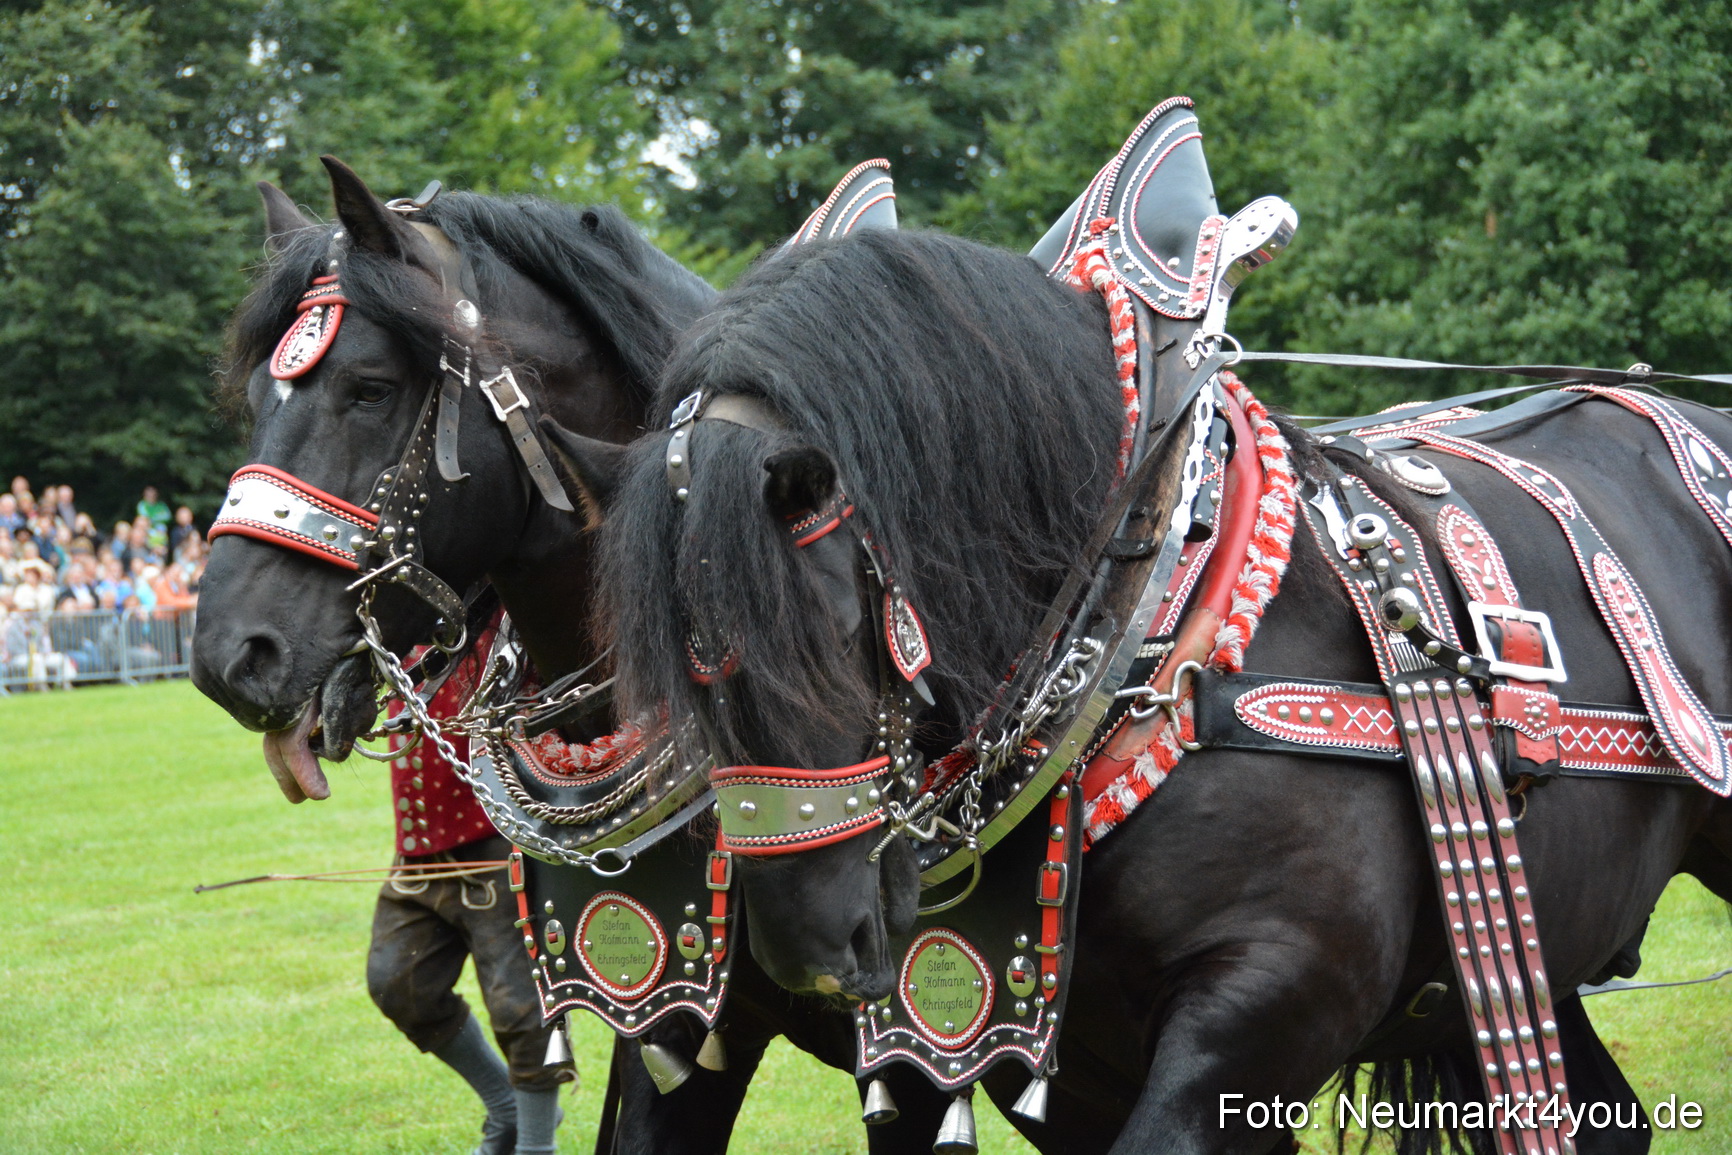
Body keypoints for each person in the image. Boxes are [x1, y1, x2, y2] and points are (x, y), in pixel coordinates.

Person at [367, 631, 572, 1155]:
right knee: (398, 983)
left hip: (501, 840)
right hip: (420, 849)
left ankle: (535, 1146)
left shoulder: (498, 607)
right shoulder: (397, 612)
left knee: (525, 1013)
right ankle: (504, 1104)